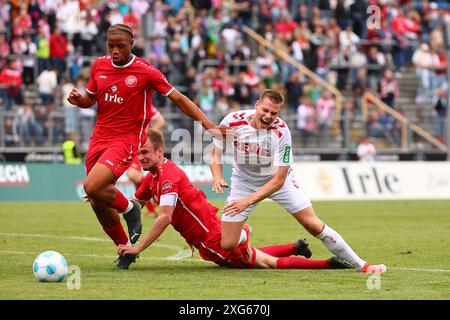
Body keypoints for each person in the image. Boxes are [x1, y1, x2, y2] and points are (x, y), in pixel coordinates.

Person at [66, 24, 221, 269]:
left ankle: (130, 209)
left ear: (131, 45)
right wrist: (79, 101)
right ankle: (126, 250)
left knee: (92, 186)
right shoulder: (99, 66)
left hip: (126, 139)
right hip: (99, 138)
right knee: (97, 200)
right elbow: (90, 99)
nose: (115, 51)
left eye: (120, 46)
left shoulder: (146, 71)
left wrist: (208, 124)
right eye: (111, 46)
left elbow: (179, 99)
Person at [117, 128, 352, 271]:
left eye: (145, 152)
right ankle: (293, 246)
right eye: (138, 153)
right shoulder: (153, 177)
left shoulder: (168, 176)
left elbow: (165, 217)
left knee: (265, 263)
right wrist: (107, 196)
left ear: (160, 152)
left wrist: (137, 248)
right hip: (215, 231)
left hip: (214, 242)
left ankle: (328, 263)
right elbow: (134, 206)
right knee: (255, 256)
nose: (140, 157)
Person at [210, 89, 386, 273]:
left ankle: (363, 265)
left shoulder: (282, 132)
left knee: (313, 225)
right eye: (265, 110)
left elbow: (279, 180)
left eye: (274, 113)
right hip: (243, 182)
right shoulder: (232, 121)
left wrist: (247, 201)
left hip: (278, 182)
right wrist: (218, 176)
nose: (268, 116)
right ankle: (243, 233)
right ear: (256, 105)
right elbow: (216, 152)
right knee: (228, 244)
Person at [126, 104, 165, 217]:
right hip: (126, 146)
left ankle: (156, 192)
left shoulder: (143, 103)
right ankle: (151, 207)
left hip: (137, 147)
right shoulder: (121, 102)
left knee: (133, 175)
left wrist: (146, 139)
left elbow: (160, 120)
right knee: (136, 180)